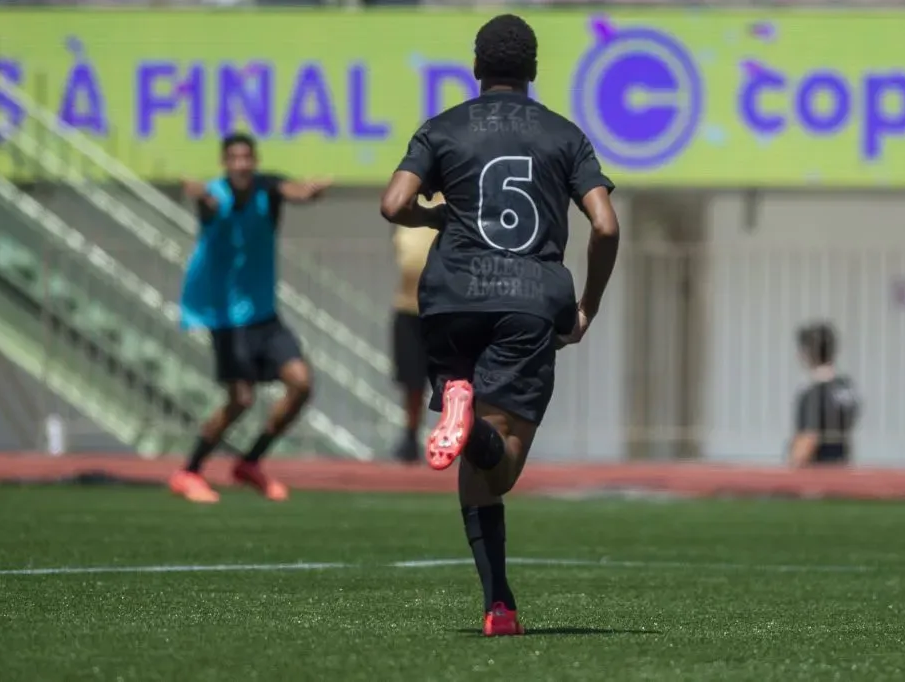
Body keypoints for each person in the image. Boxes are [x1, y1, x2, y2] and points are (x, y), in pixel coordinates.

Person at [380, 14, 620, 636]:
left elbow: (394, 203)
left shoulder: (442, 128)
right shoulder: (564, 135)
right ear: (533, 70)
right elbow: (605, 225)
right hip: (527, 301)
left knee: (474, 461)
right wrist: (587, 304)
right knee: (503, 464)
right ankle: (471, 430)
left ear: (477, 68)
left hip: (450, 297)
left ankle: (500, 607)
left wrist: (435, 221)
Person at [168, 132, 331, 504]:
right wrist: (202, 201)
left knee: (301, 384)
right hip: (225, 316)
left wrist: (312, 192)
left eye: (247, 158)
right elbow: (210, 210)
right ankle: (188, 471)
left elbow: (294, 192)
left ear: (254, 161)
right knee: (241, 399)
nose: (241, 164)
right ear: (225, 163)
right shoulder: (216, 195)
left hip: (264, 315)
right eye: (234, 158)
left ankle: (250, 463)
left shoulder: (267, 189)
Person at [389, 194, 442, 463]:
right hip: (408, 306)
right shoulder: (407, 202)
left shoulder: (457, 196)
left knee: (455, 379)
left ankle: (459, 434)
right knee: (411, 380)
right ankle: (410, 436)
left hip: (447, 309)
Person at [787, 322, 859, 467]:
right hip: (842, 467)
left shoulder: (814, 394)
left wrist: (791, 467)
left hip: (817, 475)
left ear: (807, 353)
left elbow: (808, 439)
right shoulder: (846, 387)